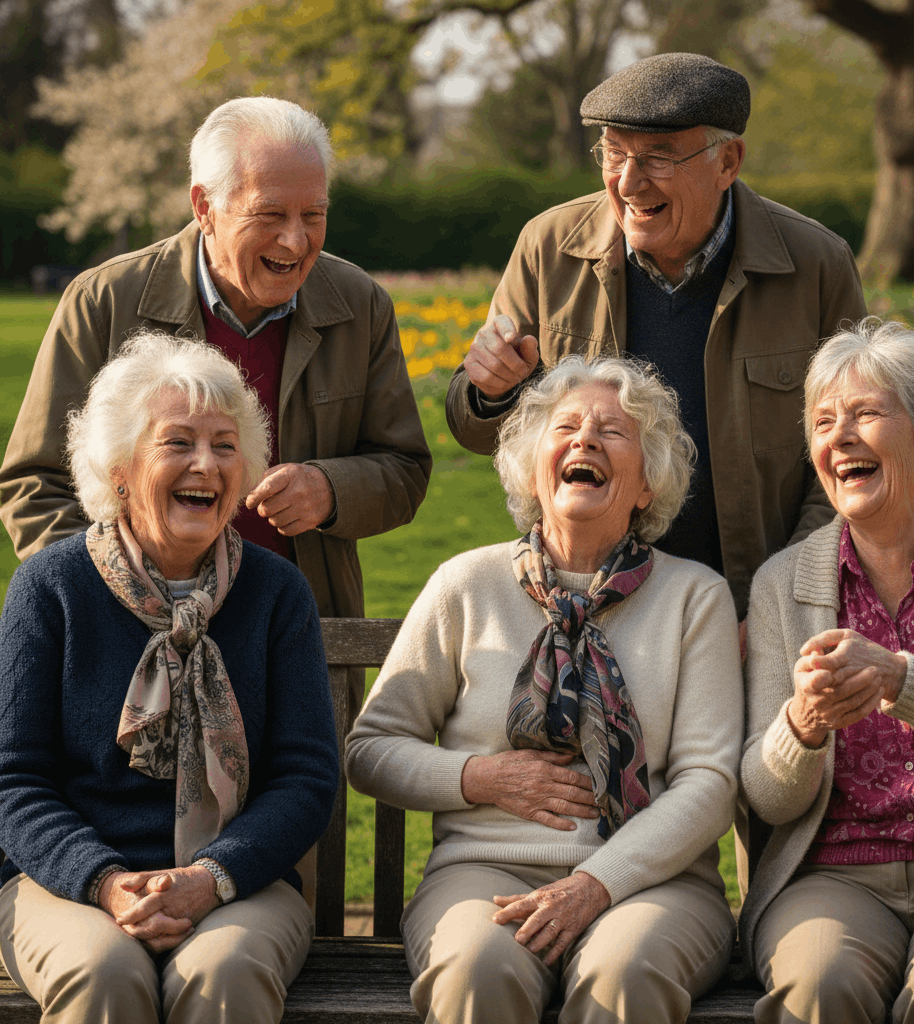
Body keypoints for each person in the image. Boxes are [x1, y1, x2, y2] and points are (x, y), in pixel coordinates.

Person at [0, 95, 431, 719]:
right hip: (133, 653)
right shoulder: (105, 301)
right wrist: (110, 605)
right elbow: (33, 482)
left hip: (288, 639)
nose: (296, 239)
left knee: (292, 806)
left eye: (315, 214)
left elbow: (406, 469)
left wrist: (331, 489)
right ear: (205, 205)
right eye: (271, 214)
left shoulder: (360, 305)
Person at [347, 355, 743, 1024]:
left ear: (647, 484)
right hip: (484, 874)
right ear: (533, 468)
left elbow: (711, 780)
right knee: (478, 971)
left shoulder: (693, 598)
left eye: (613, 432)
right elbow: (372, 748)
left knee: (625, 974)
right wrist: (480, 777)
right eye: (566, 427)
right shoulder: (465, 585)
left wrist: (596, 883)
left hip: (654, 881)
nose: (585, 440)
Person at [445, 52, 866, 620]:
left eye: (658, 157)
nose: (627, 181)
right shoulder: (549, 246)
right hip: (586, 607)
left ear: (728, 161)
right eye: (614, 153)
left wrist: (780, 599)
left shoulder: (815, 264)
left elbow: (850, 455)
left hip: (757, 606)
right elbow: (477, 430)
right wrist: (489, 390)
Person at [0, 332, 340, 1024]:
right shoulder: (51, 586)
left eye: (223, 445)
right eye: (177, 442)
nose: (205, 465)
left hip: (239, 884)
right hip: (68, 883)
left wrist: (211, 878)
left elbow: (304, 777)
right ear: (119, 466)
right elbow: (13, 778)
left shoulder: (276, 591)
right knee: (102, 973)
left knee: (225, 973)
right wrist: (105, 882)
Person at [740, 319, 914, 1024]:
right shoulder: (784, 583)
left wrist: (902, 679)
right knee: (817, 988)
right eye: (824, 421)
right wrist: (800, 727)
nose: (839, 437)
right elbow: (765, 799)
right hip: (832, 876)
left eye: (867, 414)